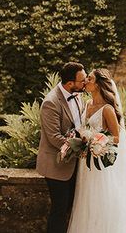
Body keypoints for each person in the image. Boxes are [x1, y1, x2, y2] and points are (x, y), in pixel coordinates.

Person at [67, 68, 126, 233]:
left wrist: (96, 141)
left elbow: (116, 137)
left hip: (100, 163)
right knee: (87, 200)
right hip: (86, 164)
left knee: (103, 200)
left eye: (90, 79)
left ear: (99, 85)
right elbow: (82, 129)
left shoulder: (107, 109)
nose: (86, 81)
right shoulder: (87, 104)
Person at [37, 61, 87, 233]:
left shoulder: (78, 95)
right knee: (59, 211)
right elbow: (53, 137)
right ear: (70, 83)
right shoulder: (51, 102)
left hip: (74, 164)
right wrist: (83, 147)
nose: (85, 83)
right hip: (56, 166)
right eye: (82, 81)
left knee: (70, 209)